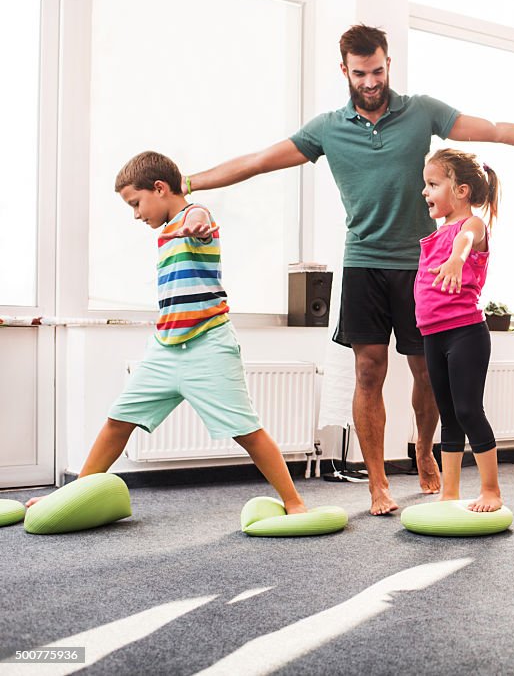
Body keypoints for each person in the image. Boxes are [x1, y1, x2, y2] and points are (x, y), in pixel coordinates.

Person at [183, 24, 514, 515]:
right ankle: (377, 482)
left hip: (423, 266)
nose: (371, 81)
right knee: (369, 370)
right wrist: (187, 181)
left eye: (379, 70)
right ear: (344, 70)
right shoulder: (327, 128)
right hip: (364, 263)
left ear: (389, 65)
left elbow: (494, 130)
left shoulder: (421, 112)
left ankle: (426, 451)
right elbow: (259, 161)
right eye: (361, 73)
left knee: (428, 374)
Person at [28, 151, 307, 514]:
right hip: (164, 349)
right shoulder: (164, 235)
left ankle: (295, 502)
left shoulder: (195, 219)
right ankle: (72, 497)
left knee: (247, 431)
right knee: (117, 421)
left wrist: (196, 219)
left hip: (209, 345)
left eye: (136, 203)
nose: (136, 214)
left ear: (160, 188)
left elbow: (199, 214)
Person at [416, 149, 502, 512]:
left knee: (469, 411)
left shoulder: (472, 226)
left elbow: (467, 240)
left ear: (462, 190)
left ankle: (492, 490)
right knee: (448, 416)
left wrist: (456, 257)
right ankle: (448, 491)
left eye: (433, 184)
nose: (425, 192)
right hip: (433, 335)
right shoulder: (440, 232)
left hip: (466, 333)